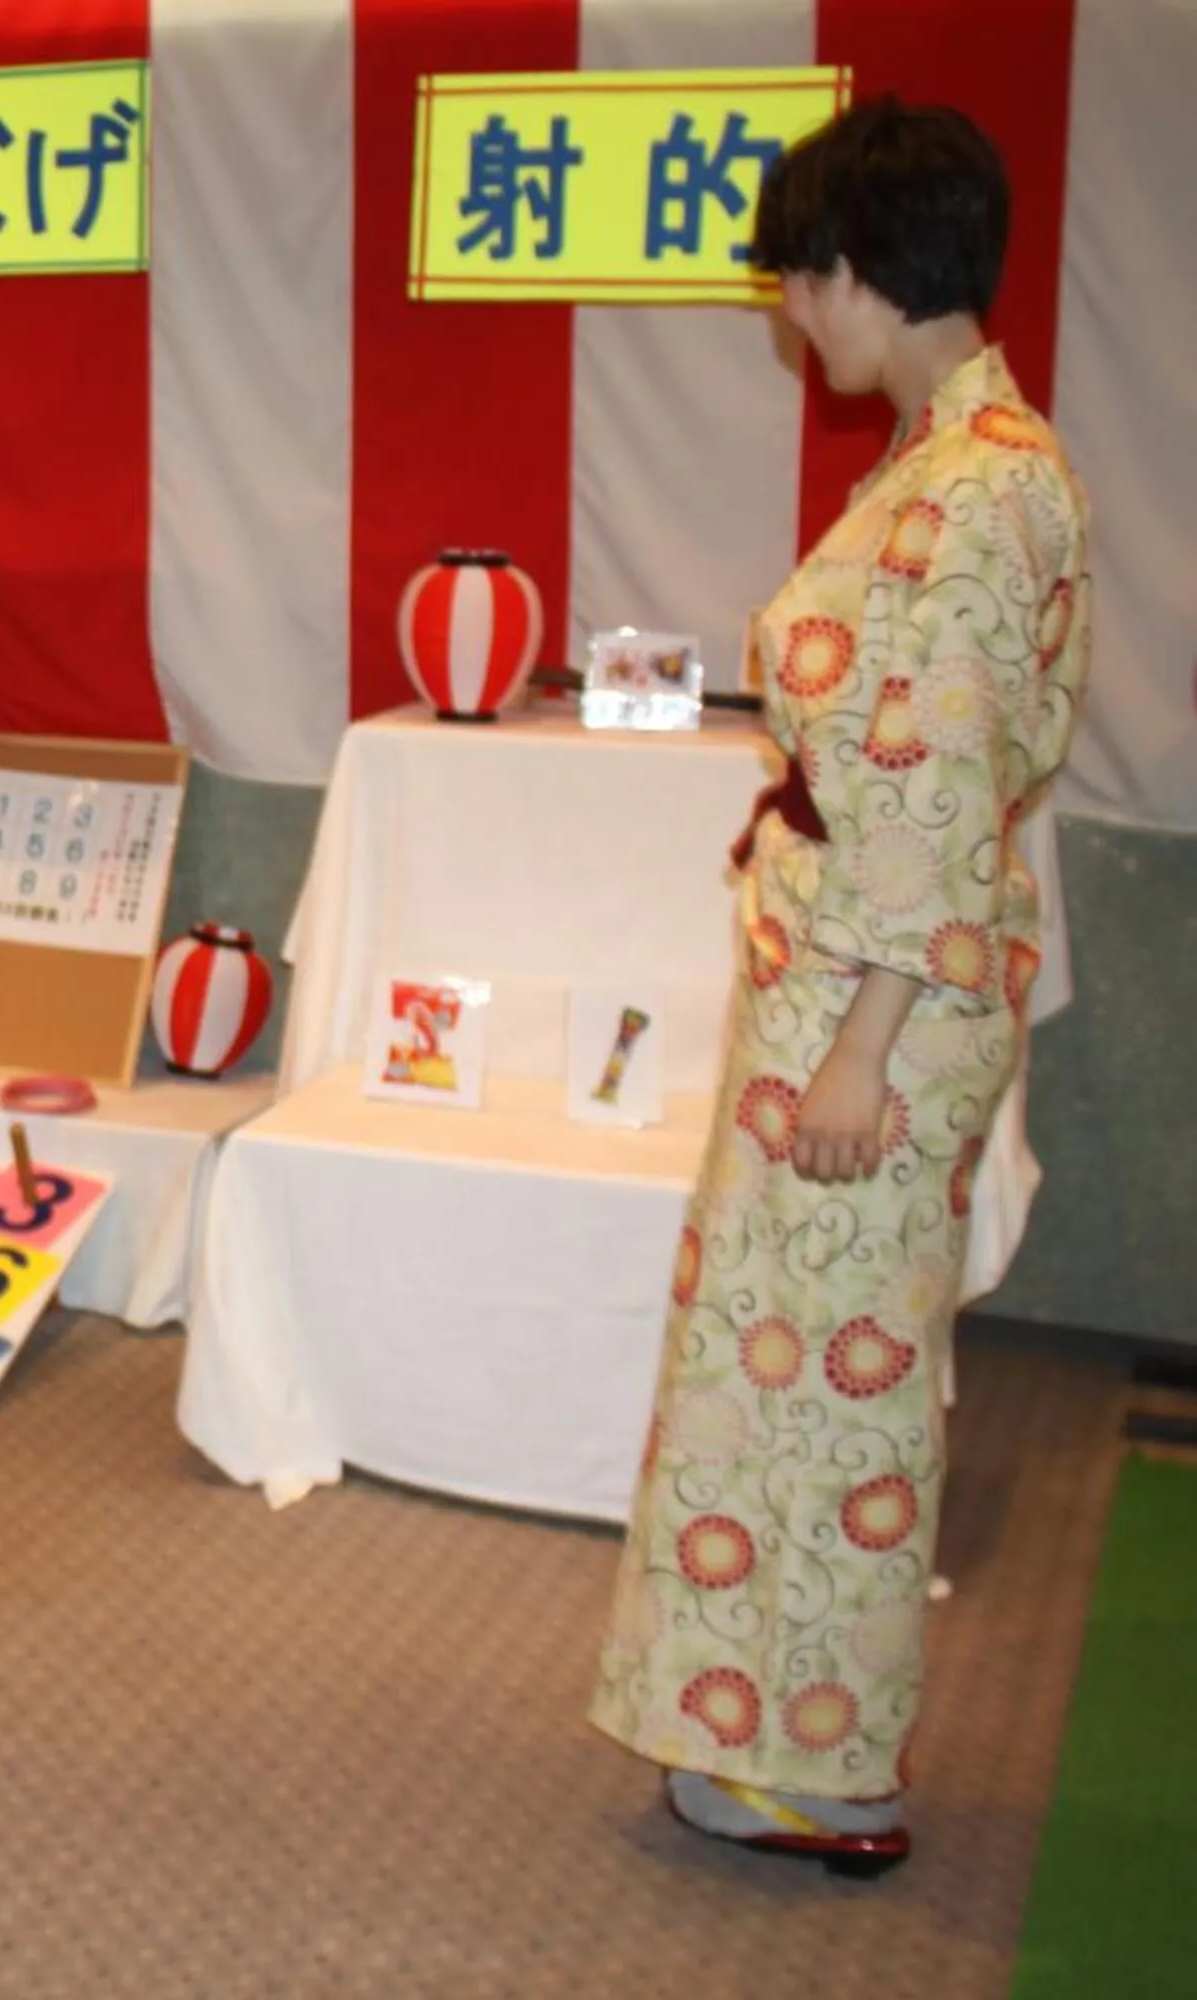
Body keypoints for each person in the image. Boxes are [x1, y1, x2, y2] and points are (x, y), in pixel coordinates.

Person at [590, 97, 1092, 1876]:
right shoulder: (957, 462)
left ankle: (818, 1760)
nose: (796, 318)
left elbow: (934, 801)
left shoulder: (976, 494)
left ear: (866, 270)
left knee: (830, 1389)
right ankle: (761, 1728)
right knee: (787, 1375)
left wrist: (865, 1046)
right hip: (856, 981)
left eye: (802, 284)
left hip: (878, 1004)